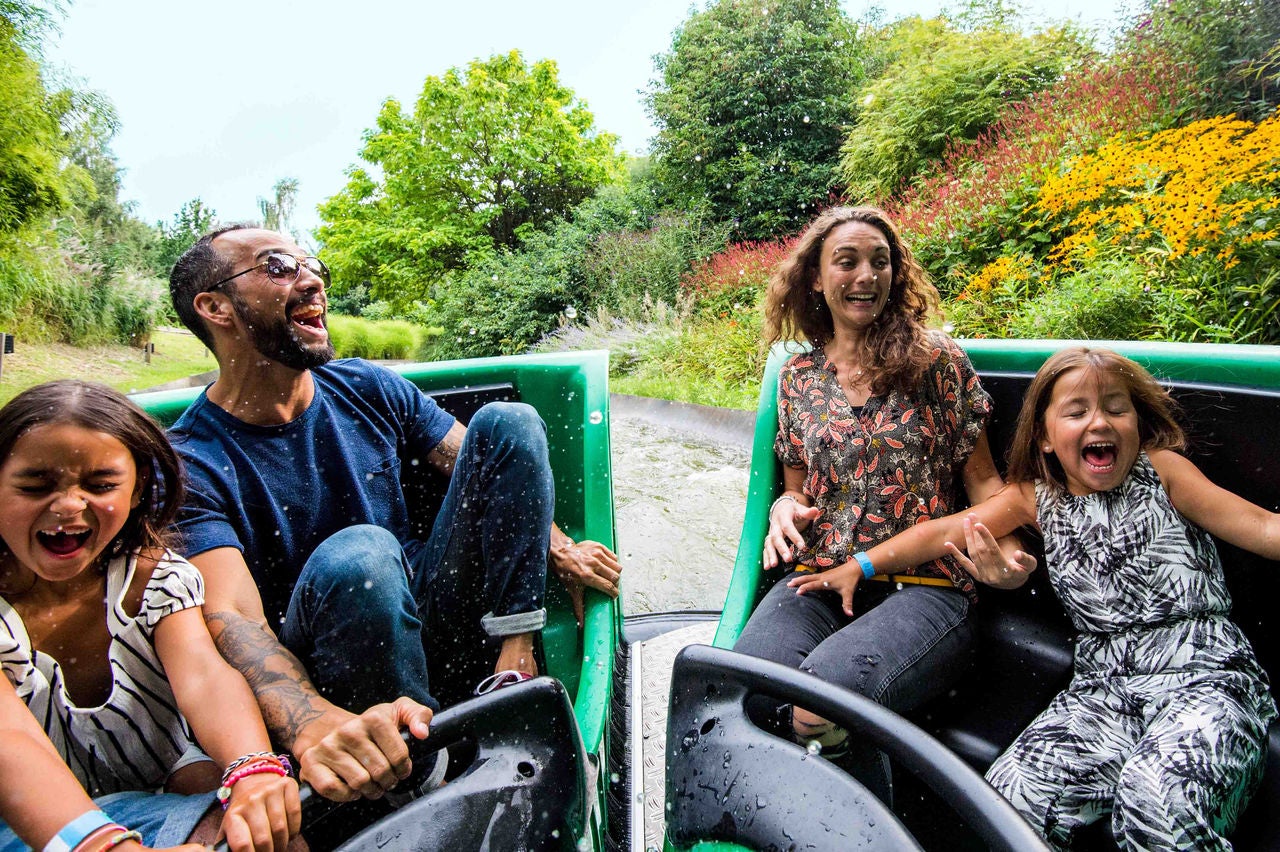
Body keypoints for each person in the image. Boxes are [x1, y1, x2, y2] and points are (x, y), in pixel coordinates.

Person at [166, 225, 622, 803]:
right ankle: (422, 771)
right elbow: (230, 619)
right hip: (334, 663)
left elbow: (482, 462)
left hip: (433, 607)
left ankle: (514, 665)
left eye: (312, 266)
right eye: (278, 267)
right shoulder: (189, 462)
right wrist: (309, 726)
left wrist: (559, 550)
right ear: (215, 307)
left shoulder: (365, 384)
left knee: (508, 422)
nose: (311, 281)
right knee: (362, 554)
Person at [791, 346, 1280, 850]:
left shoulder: (1164, 473)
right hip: (1104, 689)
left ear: (1137, 422)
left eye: (1116, 408)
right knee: (1010, 801)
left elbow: (1265, 528)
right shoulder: (1035, 499)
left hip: (1206, 676)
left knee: (1157, 801)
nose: (1100, 422)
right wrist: (861, 565)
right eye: (1076, 412)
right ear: (1045, 438)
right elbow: (940, 533)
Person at [731, 205, 1032, 801]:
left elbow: (988, 488)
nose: (865, 275)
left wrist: (1011, 558)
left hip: (929, 588)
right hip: (820, 574)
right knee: (748, 686)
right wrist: (782, 510)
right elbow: (797, 487)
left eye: (880, 261)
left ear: (896, 275)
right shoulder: (798, 378)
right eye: (847, 262)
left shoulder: (936, 362)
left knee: (823, 705)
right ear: (816, 278)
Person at [0, 380, 301, 852]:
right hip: (27, 820)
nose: (68, 505)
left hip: (166, 772)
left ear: (138, 488)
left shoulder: (155, 578)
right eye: (36, 486)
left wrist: (254, 768)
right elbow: (9, 740)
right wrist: (103, 845)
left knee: (265, 834)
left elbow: (203, 676)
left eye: (100, 485)